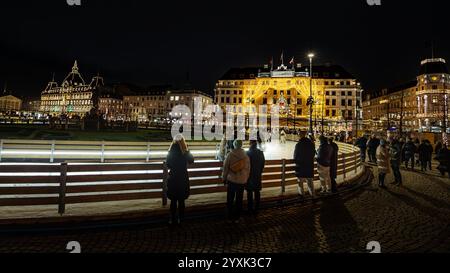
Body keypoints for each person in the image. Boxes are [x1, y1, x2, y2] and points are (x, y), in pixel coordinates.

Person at [166, 134, 194, 225]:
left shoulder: (171, 151)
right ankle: (181, 219)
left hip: (173, 177)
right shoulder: (185, 151)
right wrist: (187, 150)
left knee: (173, 200)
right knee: (181, 200)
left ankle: (172, 219)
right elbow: (191, 161)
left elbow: (168, 164)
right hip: (183, 177)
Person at [222, 139, 250, 223]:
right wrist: (246, 178)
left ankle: (230, 216)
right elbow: (248, 169)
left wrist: (224, 178)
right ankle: (237, 217)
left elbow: (225, 167)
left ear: (234, 145)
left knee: (230, 199)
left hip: (232, 181)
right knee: (239, 199)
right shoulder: (246, 156)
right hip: (242, 181)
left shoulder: (230, 155)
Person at [293, 130, 316, 198]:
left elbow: (295, 156)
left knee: (300, 182)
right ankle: (313, 195)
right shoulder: (311, 144)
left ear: (300, 136)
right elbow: (313, 154)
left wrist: (298, 161)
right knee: (310, 182)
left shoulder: (298, 145)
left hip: (301, 167)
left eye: (299, 135)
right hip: (309, 166)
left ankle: (302, 194)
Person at [246, 140, 265, 215]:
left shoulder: (247, 153)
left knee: (249, 192)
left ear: (250, 144)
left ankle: (250, 208)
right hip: (257, 175)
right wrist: (259, 171)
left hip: (249, 176)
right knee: (257, 191)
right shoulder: (260, 152)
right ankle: (257, 208)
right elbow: (263, 163)